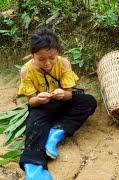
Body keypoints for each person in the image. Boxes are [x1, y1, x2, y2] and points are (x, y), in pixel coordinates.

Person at [18, 28, 97, 179]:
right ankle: (34, 168)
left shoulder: (64, 63)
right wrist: (38, 98)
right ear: (32, 54)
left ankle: (55, 133)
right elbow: (32, 101)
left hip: (62, 103)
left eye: (52, 58)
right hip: (41, 107)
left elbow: (69, 94)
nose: (47, 63)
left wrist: (63, 94)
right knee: (33, 130)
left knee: (88, 101)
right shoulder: (26, 71)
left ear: (58, 53)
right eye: (41, 59)